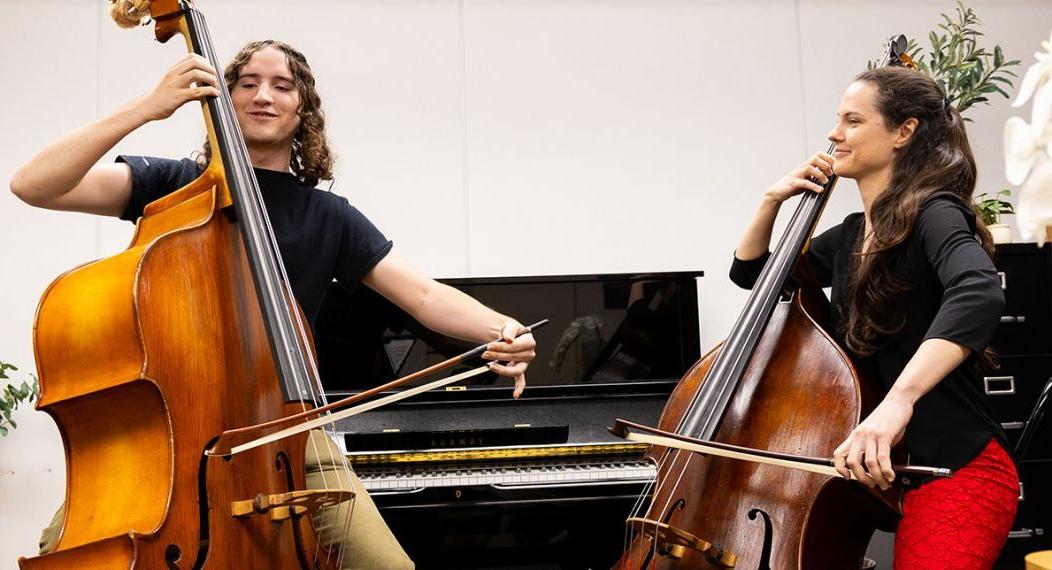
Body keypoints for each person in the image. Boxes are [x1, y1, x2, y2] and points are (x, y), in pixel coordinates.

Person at [10, 40, 536, 569]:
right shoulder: (172, 187)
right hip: (173, 441)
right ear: (223, 98)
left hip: (289, 432)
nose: (264, 95)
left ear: (301, 108)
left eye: (282, 86)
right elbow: (34, 184)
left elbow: (423, 295)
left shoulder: (328, 215)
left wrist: (503, 326)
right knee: (71, 551)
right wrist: (147, 106)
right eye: (248, 83)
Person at [729, 66, 1018, 569]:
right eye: (837, 119)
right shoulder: (850, 234)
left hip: (955, 468)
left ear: (904, 131)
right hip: (879, 472)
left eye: (853, 121)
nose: (834, 133)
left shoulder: (935, 212)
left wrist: (897, 402)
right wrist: (770, 200)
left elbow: (978, 291)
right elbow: (755, 276)